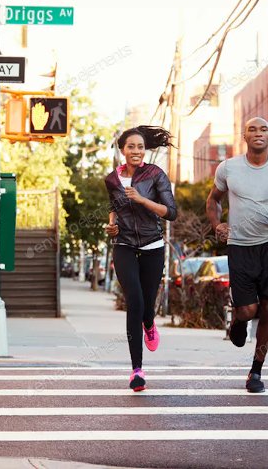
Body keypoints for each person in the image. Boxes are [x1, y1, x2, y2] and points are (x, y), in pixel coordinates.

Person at [206, 117, 268, 393]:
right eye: (252, 129)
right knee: (248, 310)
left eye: (263, 129)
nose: (258, 133)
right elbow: (213, 200)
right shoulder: (228, 168)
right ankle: (238, 319)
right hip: (239, 245)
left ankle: (256, 372)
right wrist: (218, 225)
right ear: (244, 136)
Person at [104, 126, 177, 392]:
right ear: (122, 150)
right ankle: (137, 370)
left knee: (147, 305)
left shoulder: (156, 175)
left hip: (152, 245)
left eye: (140, 147)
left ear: (145, 150)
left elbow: (171, 212)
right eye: (131, 147)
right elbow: (114, 209)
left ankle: (149, 323)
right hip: (123, 245)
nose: (136, 151)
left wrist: (143, 200)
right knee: (133, 302)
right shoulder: (112, 179)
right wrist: (111, 225)